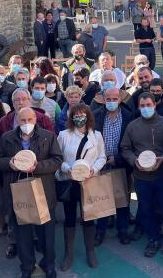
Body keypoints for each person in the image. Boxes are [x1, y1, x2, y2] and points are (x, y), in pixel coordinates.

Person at [0, 106, 61, 278]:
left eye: (30, 120)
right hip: (17, 192)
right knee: (23, 234)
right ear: (17, 121)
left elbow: (57, 160)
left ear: (36, 120)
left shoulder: (48, 136)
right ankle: (27, 266)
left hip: (43, 192)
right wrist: (10, 163)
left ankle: (48, 264)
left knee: (46, 233)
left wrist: (38, 167)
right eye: (23, 120)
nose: (26, 123)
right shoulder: (7, 138)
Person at [120, 93, 163, 259]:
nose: (146, 108)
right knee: (147, 210)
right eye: (142, 106)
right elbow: (125, 148)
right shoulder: (132, 126)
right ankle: (153, 239)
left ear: (155, 104)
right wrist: (134, 160)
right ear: (138, 107)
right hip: (141, 178)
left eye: (148, 105)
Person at [55, 103, 105, 270]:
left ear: (88, 116)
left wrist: (94, 169)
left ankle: (90, 251)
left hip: (89, 182)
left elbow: (102, 157)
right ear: (71, 117)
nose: (79, 118)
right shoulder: (63, 135)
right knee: (69, 218)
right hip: (69, 182)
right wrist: (66, 169)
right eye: (75, 115)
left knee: (89, 217)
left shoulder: (96, 136)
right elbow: (57, 158)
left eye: (82, 114)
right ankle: (68, 254)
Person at [93, 87, 135, 245]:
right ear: (103, 99)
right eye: (108, 99)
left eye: (114, 99)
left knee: (122, 200)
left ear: (120, 99)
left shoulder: (128, 116)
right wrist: (100, 159)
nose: (111, 102)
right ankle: (100, 231)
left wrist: (117, 159)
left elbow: (131, 143)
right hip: (101, 165)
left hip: (120, 164)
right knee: (102, 200)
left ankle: (122, 231)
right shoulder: (96, 116)